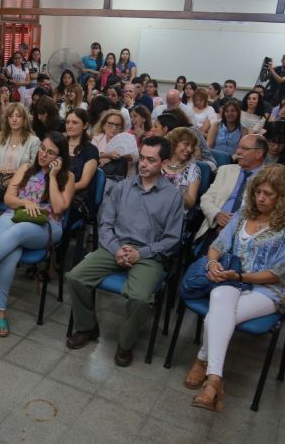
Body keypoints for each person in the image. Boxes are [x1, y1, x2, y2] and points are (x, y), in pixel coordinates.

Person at [185, 165, 285, 412]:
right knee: (219, 296)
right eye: (258, 192)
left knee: (217, 316)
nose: (260, 198)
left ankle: (203, 362)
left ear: (283, 197)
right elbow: (218, 244)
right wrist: (213, 262)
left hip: (269, 289)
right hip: (234, 278)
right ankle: (215, 381)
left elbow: (277, 273)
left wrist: (240, 275)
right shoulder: (244, 214)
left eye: (268, 194)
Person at [65, 137, 184, 366]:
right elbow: (106, 224)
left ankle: (125, 343)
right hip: (114, 247)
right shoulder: (122, 187)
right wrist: (116, 248)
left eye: (152, 160)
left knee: (139, 298)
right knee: (76, 277)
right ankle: (88, 327)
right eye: (143, 157)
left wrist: (142, 253)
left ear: (164, 163)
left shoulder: (172, 197)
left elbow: (172, 239)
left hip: (148, 255)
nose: (144, 164)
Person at [0, 132, 74, 336]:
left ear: (60, 157)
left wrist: (52, 177)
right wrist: (25, 202)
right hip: (15, 214)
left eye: (51, 152)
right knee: (11, 251)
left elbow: (59, 207)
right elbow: (9, 198)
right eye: (42, 149)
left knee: (16, 233)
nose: (43, 155)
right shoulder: (26, 168)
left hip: (47, 225)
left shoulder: (67, 177)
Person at [195, 134, 268, 241]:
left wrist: (232, 226)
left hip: (246, 236)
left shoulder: (269, 178)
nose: (238, 152)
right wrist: (217, 214)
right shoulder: (225, 170)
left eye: (244, 149)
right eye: (238, 147)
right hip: (215, 228)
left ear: (259, 153)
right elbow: (206, 199)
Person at [65, 108, 99, 215]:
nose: (69, 126)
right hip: (53, 192)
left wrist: (59, 191)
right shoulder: (59, 144)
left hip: (77, 198)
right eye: (67, 122)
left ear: (85, 125)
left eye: (74, 123)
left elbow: (84, 183)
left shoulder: (91, 150)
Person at [163, 127, 202, 210]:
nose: (189, 149)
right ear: (174, 143)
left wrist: (173, 189)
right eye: (186, 144)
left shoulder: (193, 170)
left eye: (192, 146)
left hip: (175, 213)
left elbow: (190, 203)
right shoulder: (160, 162)